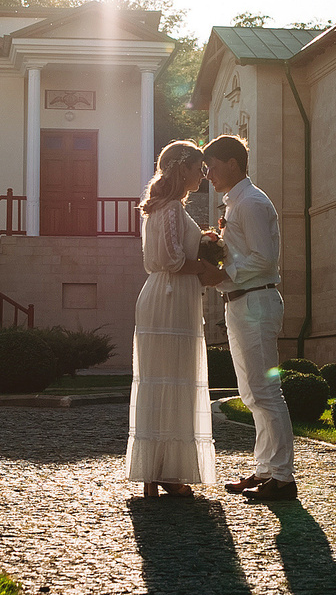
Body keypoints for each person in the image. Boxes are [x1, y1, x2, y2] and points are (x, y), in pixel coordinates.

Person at [202, 134, 297, 501]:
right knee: (251, 393)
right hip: (240, 303)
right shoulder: (236, 202)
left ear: (233, 164)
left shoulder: (253, 202)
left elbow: (264, 258)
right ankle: (264, 469)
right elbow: (245, 253)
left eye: (211, 165)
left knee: (267, 392)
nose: (207, 173)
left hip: (256, 302)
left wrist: (222, 272)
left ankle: (284, 477)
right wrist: (220, 252)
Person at [126, 139, 220, 499]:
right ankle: (159, 470)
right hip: (169, 296)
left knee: (165, 380)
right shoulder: (167, 209)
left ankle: (159, 470)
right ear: (182, 169)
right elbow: (174, 260)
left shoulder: (164, 208)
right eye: (199, 168)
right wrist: (209, 267)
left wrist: (204, 242)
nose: (203, 175)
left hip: (165, 294)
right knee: (169, 378)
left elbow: (172, 251)